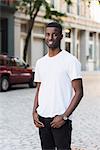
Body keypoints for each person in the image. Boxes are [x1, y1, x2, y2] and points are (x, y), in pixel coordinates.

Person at [32, 22, 83, 150]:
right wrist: (34, 111)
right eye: (48, 34)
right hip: (43, 120)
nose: (50, 38)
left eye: (54, 35)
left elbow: (79, 92)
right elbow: (39, 89)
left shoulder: (70, 61)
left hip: (60, 120)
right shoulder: (40, 63)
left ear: (60, 36)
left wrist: (64, 117)